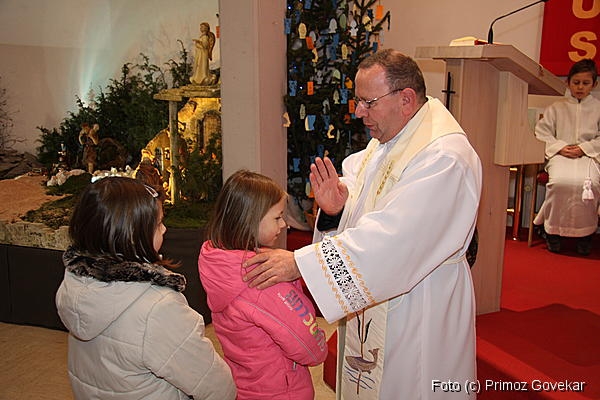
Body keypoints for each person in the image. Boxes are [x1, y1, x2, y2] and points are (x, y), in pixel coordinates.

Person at [243, 49, 482, 399]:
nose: (358, 112)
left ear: (406, 99)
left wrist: (301, 263)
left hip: (420, 305)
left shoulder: (444, 157)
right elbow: (363, 199)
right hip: (385, 296)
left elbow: (396, 240)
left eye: (368, 102)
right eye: (358, 101)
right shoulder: (388, 142)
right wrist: (337, 209)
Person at [55, 176, 236, 400]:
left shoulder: (77, 283)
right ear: (132, 236)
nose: (165, 229)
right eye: (158, 223)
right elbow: (216, 386)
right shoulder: (158, 307)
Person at [198, 170, 328, 399]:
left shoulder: (218, 264)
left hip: (245, 385)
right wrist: (321, 345)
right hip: (282, 391)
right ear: (250, 219)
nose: (284, 224)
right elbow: (310, 349)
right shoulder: (265, 279)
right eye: (278, 217)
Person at [533, 58, 600, 256]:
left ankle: (586, 234)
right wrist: (560, 147)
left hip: (589, 156)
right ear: (567, 82)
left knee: (589, 185)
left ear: (594, 84)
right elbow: (542, 133)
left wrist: (585, 148)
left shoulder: (598, 108)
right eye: (576, 82)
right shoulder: (556, 107)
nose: (580, 87)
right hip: (560, 156)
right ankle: (553, 231)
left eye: (585, 83)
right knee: (560, 182)